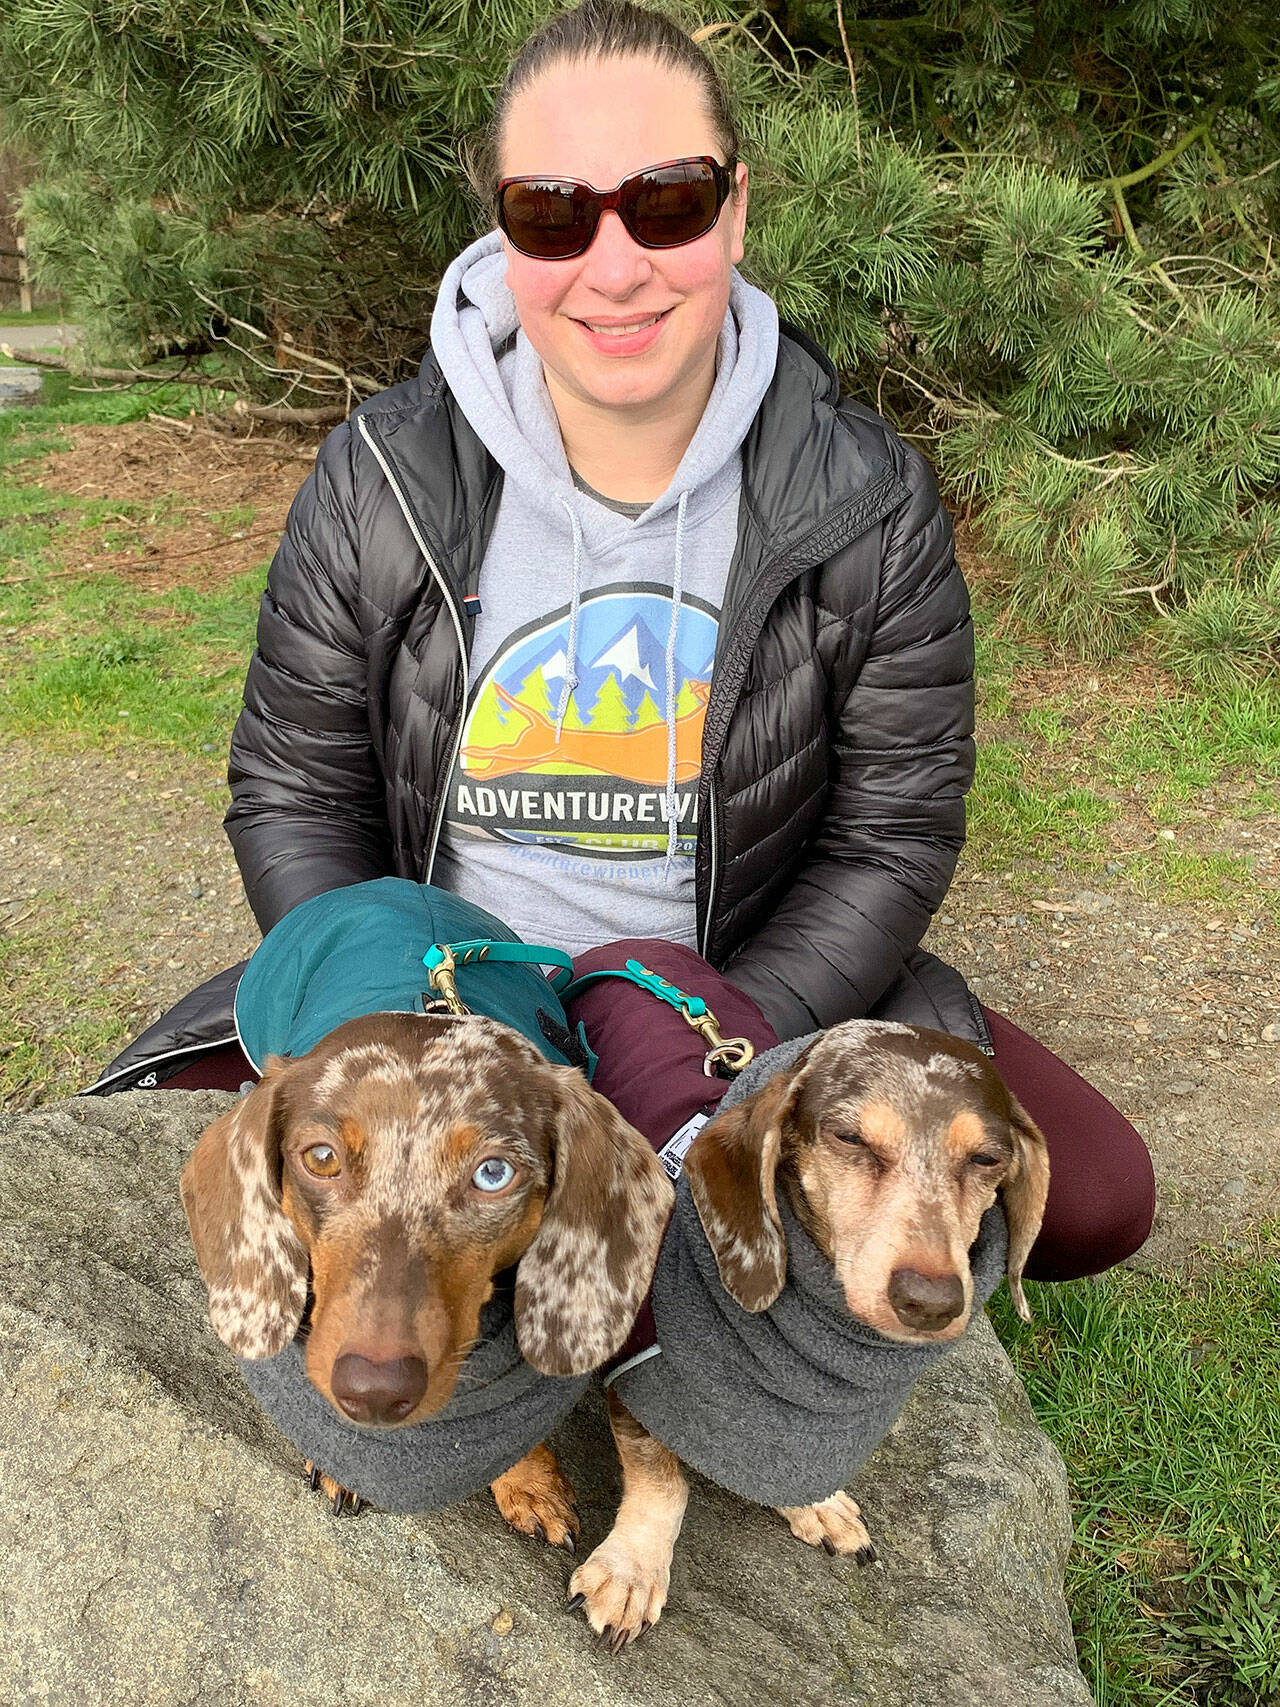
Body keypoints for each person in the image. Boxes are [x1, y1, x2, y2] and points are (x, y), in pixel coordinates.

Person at [94, 0, 1152, 1282]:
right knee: (137, 1167)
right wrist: (389, 1030)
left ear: (734, 212)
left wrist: (724, 1034)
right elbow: (293, 789)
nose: (614, 266)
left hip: (731, 976)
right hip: (444, 979)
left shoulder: (865, 499)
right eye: (553, 213)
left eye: (666, 203)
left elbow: (891, 835)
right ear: (503, 232)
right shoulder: (380, 475)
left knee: (1091, 1198)